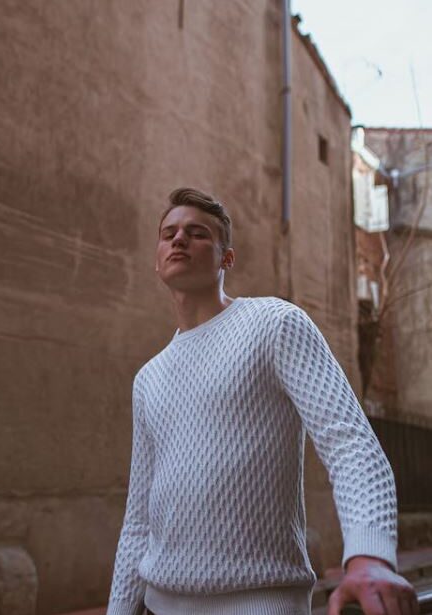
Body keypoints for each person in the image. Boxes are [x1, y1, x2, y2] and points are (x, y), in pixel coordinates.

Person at [106, 187, 418, 615]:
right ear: (157, 257)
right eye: (168, 233)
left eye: (197, 233)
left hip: (260, 603)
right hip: (161, 604)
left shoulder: (274, 324)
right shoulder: (148, 378)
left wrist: (370, 555)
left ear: (226, 258)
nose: (179, 239)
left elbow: (348, 441)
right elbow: (138, 518)